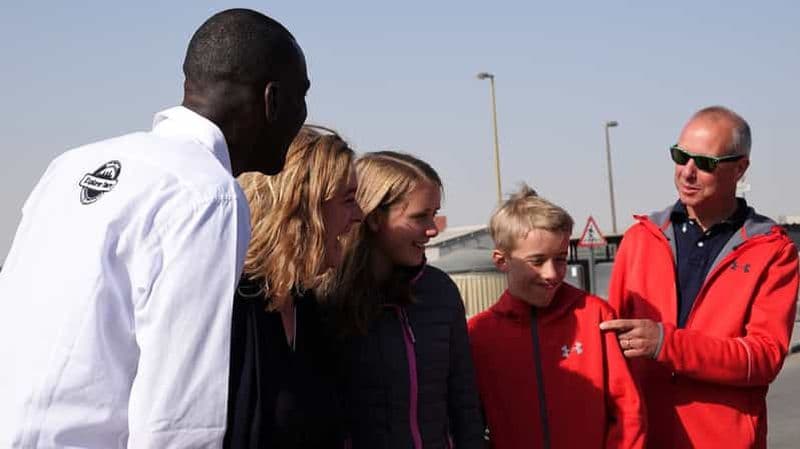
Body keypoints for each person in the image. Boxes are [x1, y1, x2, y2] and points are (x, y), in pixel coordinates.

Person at [0, 9, 309, 448]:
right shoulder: (207, 192)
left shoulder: (69, 165)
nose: (303, 116)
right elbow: (179, 415)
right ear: (271, 100)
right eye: (303, 96)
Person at [600, 106, 799, 449]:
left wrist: (666, 343)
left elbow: (763, 359)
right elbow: (608, 347)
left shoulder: (773, 251)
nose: (687, 173)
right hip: (641, 437)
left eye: (704, 163)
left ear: (740, 168)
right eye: (680, 156)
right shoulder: (640, 238)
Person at [467, 185, 645, 449]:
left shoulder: (595, 315)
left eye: (560, 259)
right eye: (537, 261)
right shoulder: (478, 334)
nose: (552, 273)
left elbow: (628, 410)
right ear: (501, 260)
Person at [327, 151, 484, 449]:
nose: (433, 229)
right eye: (419, 216)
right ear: (374, 217)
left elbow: (464, 402)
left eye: (434, 213)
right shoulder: (323, 298)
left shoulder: (440, 292)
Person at [224, 125, 363, 449]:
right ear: (300, 208)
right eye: (348, 199)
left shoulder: (304, 304)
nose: (359, 215)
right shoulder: (226, 305)